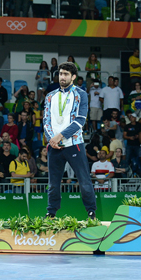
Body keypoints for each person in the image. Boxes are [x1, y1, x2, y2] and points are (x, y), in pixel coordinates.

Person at [43, 61, 97, 219]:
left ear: (73, 77)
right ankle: (51, 212)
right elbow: (46, 121)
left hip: (74, 144)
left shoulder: (81, 94)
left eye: (66, 74)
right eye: (60, 74)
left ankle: (91, 212)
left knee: (84, 181)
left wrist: (60, 136)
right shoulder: (50, 96)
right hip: (54, 146)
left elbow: (80, 120)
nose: (62, 77)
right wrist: (51, 139)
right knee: (53, 183)